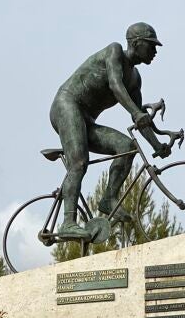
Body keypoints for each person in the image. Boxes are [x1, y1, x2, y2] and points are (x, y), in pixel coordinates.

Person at [50, 22, 172, 240]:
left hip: (86, 120)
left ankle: (108, 199)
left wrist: (157, 146)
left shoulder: (135, 79)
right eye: (151, 46)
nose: (155, 51)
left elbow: (139, 120)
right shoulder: (114, 51)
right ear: (137, 43)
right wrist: (137, 114)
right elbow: (116, 86)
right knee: (79, 162)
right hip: (67, 105)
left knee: (127, 146)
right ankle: (68, 222)